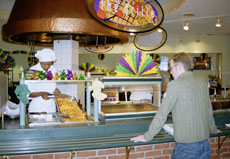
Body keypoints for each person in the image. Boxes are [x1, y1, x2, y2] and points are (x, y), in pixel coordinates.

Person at [131, 52, 219, 159]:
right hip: (205, 144)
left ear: (179, 67)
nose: (171, 71)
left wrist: (147, 136)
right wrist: (213, 129)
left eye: (171, 67)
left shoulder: (175, 85)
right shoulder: (202, 83)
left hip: (187, 147)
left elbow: (162, 114)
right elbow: (208, 111)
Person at [27, 48, 60, 113]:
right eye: (44, 64)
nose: (47, 66)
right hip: (37, 109)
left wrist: (56, 90)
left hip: (51, 108)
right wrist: (41, 93)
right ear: (40, 62)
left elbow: (51, 86)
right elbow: (28, 93)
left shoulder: (53, 69)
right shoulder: (32, 70)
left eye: (49, 64)